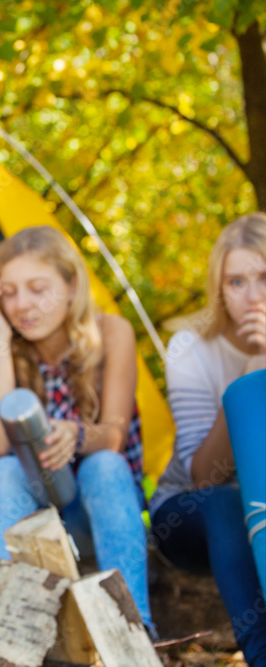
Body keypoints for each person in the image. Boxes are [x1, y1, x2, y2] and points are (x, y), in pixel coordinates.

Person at [0, 225, 154, 636]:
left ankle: (134, 629)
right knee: (2, 470)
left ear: (71, 286)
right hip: (38, 516)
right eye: (10, 293)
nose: (23, 305)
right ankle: (6, 632)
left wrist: (75, 435)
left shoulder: (111, 333)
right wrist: (0, 336)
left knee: (104, 464)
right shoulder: (1, 351)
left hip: (100, 510)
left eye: (38, 289)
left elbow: (113, 436)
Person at [150, 212, 266, 665]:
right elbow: (206, 476)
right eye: (237, 282)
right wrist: (256, 369)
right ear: (219, 289)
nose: (253, 296)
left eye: (263, 277)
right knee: (225, 501)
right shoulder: (190, 348)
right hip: (191, 514)